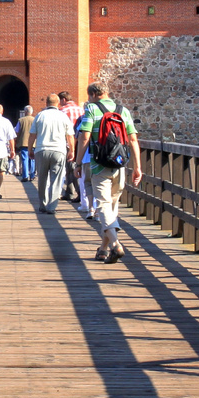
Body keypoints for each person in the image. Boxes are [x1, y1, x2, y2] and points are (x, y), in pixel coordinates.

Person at [75, 82, 142, 263]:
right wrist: (137, 167)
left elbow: (85, 137)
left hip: (99, 165)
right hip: (119, 165)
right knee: (111, 207)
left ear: (94, 94)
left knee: (103, 206)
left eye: (89, 96)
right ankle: (103, 249)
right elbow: (133, 140)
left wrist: (78, 162)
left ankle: (115, 245)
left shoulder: (92, 110)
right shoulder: (123, 110)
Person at [31, 93, 73, 212]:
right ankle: (52, 206)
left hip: (42, 149)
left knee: (42, 179)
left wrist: (30, 149)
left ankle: (42, 204)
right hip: (58, 150)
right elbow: (70, 135)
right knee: (56, 179)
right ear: (58, 103)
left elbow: (32, 134)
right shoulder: (63, 116)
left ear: (46, 103)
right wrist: (72, 150)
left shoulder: (40, 115)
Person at [57, 91, 83, 204]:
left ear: (63, 100)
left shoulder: (62, 111)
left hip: (68, 142)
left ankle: (79, 193)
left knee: (71, 168)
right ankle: (70, 192)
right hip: (81, 142)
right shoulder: (81, 110)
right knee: (75, 167)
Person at [17, 105, 36, 180]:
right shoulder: (35, 120)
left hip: (23, 142)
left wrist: (17, 140)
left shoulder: (21, 120)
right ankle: (32, 175)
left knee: (24, 159)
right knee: (32, 159)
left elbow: (17, 132)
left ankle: (25, 176)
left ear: (25, 112)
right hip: (34, 142)